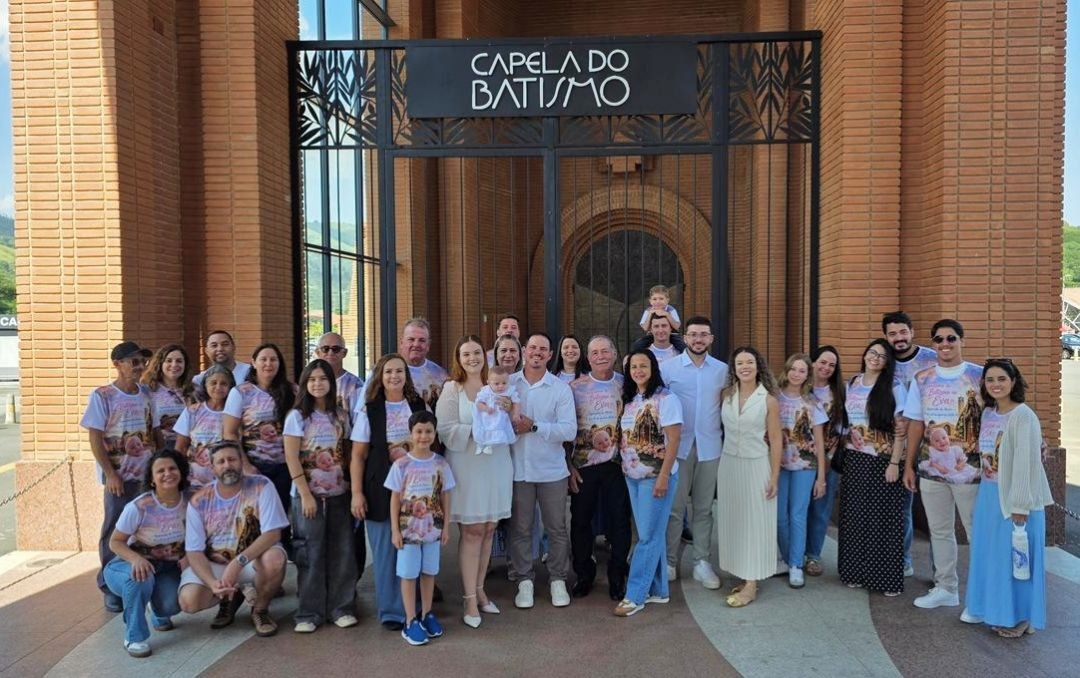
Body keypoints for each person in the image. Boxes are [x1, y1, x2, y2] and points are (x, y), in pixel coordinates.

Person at [963, 359, 1053, 637]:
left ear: (1014, 382)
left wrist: (1020, 505)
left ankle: (1021, 618)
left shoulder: (1024, 416)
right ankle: (997, 610)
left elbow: (1027, 463)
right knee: (996, 559)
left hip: (1015, 499)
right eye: (990, 380)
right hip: (990, 495)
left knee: (1018, 560)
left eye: (1002, 379)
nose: (996, 385)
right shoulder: (989, 413)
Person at [902, 319, 983, 609]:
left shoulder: (980, 376)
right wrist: (910, 465)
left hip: (970, 475)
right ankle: (946, 587)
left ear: (962, 340)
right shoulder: (922, 379)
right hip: (930, 471)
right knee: (940, 530)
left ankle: (983, 594)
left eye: (951, 338)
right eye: (939, 339)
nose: (945, 344)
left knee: (976, 533)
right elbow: (915, 423)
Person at [435, 336, 513, 628]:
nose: (472, 358)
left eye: (477, 352)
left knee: (490, 528)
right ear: (458, 358)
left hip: (496, 464)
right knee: (472, 531)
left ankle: (481, 590)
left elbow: (510, 422)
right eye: (466, 354)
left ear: (486, 355)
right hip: (467, 466)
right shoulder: (451, 389)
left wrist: (506, 413)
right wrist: (480, 428)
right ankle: (468, 598)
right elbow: (445, 429)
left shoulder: (497, 385)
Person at [178, 441, 289, 637]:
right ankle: (228, 599)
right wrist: (212, 583)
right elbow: (194, 551)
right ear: (212, 468)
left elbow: (273, 533)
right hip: (216, 563)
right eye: (220, 462)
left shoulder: (262, 486)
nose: (227, 465)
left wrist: (238, 563)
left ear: (241, 461)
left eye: (232, 459)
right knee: (189, 601)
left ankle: (260, 610)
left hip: (251, 560)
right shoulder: (199, 500)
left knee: (275, 559)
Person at [350, 354, 428, 629]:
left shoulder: (418, 404)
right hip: (379, 489)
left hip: (416, 490)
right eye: (388, 372)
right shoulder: (370, 410)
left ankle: (416, 607)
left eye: (399, 371)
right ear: (379, 377)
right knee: (386, 552)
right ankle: (392, 612)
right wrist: (357, 493)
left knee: (413, 549)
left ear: (406, 375)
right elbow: (358, 456)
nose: (394, 376)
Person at [283, 359, 357, 632]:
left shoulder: (340, 416)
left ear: (331, 382)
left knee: (342, 551)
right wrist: (305, 494)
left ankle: (341, 607)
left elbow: (346, 452)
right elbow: (291, 457)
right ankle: (309, 613)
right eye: (312, 379)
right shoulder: (297, 417)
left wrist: (350, 484)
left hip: (338, 494)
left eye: (322, 379)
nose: (318, 384)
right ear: (305, 384)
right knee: (309, 552)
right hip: (308, 496)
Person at [81, 340, 154, 613]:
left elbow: (153, 431)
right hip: (120, 479)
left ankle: (139, 579)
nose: (139, 367)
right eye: (133, 362)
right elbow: (95, 437)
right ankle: (109, 587)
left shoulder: (146, 393)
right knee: (114, 530)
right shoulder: (102, 395)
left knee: (143, 530)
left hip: (146, 477)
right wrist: (110, 473)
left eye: (142, 362)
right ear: (117, 364)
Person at [508, 332, 577, 608]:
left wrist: (534, 426)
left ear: (550, 355)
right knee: (521, 528)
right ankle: (524, 580)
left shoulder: (560, 388)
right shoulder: (509, 385)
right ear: (525, 350)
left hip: (551, 471)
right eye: (533, 347)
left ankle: (558, 579)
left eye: (543, 349)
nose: (537, 352)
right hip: (518, 470)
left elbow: (569, 430)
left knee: (557, 528)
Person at [612, 349, 682, 617]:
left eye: (644, 365)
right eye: (633, 367)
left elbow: (674, 440)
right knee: (651, 534)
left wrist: (664, 476)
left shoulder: (666, 398)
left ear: (653, 368)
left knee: (648, 537)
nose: (638, 371)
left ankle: (635, 595)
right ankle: (659, 590)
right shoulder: (631, 400)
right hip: (633, 476)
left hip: (656, 476)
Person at [836, 340, 909, 596]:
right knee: (855, 517)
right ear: (865, 355)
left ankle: (885, 579)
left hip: (883, 460)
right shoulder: (852, 383)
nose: (875, 358)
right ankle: (854, 572)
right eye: (872, 353)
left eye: (882, 356)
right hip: (855, 458)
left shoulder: (895, 387)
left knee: (883, 520)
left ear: (888, 362)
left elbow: (901, 429)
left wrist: (894, 463)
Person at [659, 316, 726, 589]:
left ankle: (701, 562)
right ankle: (671, 562)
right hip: (678, 448)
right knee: (674, 509)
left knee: (703, 508)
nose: (698, 339)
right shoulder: (668, 368)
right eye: (694, 334)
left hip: (710, 447)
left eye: (704, 335)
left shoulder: (722, 370)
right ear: (685, 337)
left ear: (711, 339)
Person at [104, 449, 189, 657]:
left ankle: (157, 609)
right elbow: (115, 542)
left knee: (171, 605)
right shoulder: (139, 506)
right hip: (127, 565)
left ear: (181, 472)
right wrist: (136, 559)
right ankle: (134, 637)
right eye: (160, 471)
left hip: (168, 567)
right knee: (140, 578)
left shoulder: (190, 502)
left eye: (172, 468)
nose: (167, 473)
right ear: (152, 478)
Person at [716, 346, 781, 607]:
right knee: (735, 521)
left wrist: (774, 476)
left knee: (755, 522)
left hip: (757, 465)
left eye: (749, 362)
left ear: (758, 366)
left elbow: (776, 440)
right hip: (729, 464)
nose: (744, 366)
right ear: (734, 368)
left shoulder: (769, 400)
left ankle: (752, 584)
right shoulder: (726, 395)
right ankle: (744, 574)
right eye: (740, 362)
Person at [568, 335, 631, 601]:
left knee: (619, 523)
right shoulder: (574, 387)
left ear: (615, 354)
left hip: (618, 466)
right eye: (595, 352)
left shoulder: (625, 385)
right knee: (581, 522)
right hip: (584, 466)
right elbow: (566, 430)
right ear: (588, 357)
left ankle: (617, 575)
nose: (600, 356)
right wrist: (568, 466)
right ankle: (584, 574)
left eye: (605, 351)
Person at [385, 411, 456, 645]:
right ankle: (410, 620)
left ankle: (427, 614)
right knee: (408, 574)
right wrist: (395, 530)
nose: (423, 436)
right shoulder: (401, 464)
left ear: (435, 434)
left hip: (432, 531)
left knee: (429, 572)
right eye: (419, 431)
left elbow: (445, 496)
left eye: (428, 431)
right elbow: (395, 498)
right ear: (411, 434)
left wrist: (446, 526)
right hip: (408, 533)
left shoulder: (440, 463)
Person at [223, 343, 297, 552]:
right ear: (253, 363)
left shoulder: (291, 391)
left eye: (273, 359)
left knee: (281, 519)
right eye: (263, 359)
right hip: (255, 466)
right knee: (253, 520)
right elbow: (229, 432)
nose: (268, 363)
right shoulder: (241, 393)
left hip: (285, 466)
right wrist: (245, 466)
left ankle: (276, 570)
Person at [883, 311, 937, 576]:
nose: (899, 338)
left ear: (912, 331)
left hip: (933, 447)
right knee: (903, 508)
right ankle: (903, 560)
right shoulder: (883, 361)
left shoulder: (931, 358)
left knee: (934, 514)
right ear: (886, 337)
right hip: (899, 448)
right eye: (892, 334)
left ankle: (940, 571)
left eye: (903, 332)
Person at [775, 353, 828, 588]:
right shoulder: (773, 398)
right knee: (779, 517)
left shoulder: (812, 403)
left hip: (805, 466)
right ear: (787, 371)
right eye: (793, 369)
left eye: (802, 371)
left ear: (808, 375)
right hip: (778, 464)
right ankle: (786, 559)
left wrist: (822, 479)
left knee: (798, 514)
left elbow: (819, 443)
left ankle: (796, 564)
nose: (797, 374)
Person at [804, 345, 846, 576]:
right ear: (812, 362)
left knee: (820, 509)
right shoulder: (800, 387)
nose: (826, 368)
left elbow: (842, 431)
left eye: (832, 365)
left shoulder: (838, 393)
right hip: (798, 462)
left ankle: (813, 556)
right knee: (798, 509)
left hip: (827, 462)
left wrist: (828, 458)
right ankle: (793, 553)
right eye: (822, 362)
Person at [174, 364, 235, 490]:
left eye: (224, 384)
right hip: (195, 482)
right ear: (205, 386)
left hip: (226, 481)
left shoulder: (234, 413)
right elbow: (180, 447)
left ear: (230, 387)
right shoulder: (192, 411)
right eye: (213, 383)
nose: (218, 387)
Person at [142, 344, 194, 453]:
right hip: (159, 448)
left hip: (187, 447)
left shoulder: (194, 390)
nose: (174, 365)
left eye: (179, 361)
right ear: (160, 363)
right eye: (169, 361)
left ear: (185, 364)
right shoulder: (148, 390)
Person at [399, 317, 449, 411]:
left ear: (428, 345)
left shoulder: (441, 375)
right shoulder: (384, 372)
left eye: (422, 340)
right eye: (411, 339)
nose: (416, 344)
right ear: (401, 343)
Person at [314, 332, 365, 418]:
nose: (330, 352)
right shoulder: (310, 382)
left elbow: (359, 421)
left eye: (336, 349)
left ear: (344, 353)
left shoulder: (356, 385)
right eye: (325, 349)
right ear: (317, 352)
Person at [473, 366, 521, 454]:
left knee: (499, 429)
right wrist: (486, 408)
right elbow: (478, 403)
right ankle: (483, 445)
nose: (501, 386)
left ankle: (492, 445)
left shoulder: (509, 390)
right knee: (486, 429)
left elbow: (516, 402)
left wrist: (516, 414)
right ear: (489, 383)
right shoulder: (486, 391)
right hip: (488, 416)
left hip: (501, 417)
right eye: (496, 383)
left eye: (504, 383)